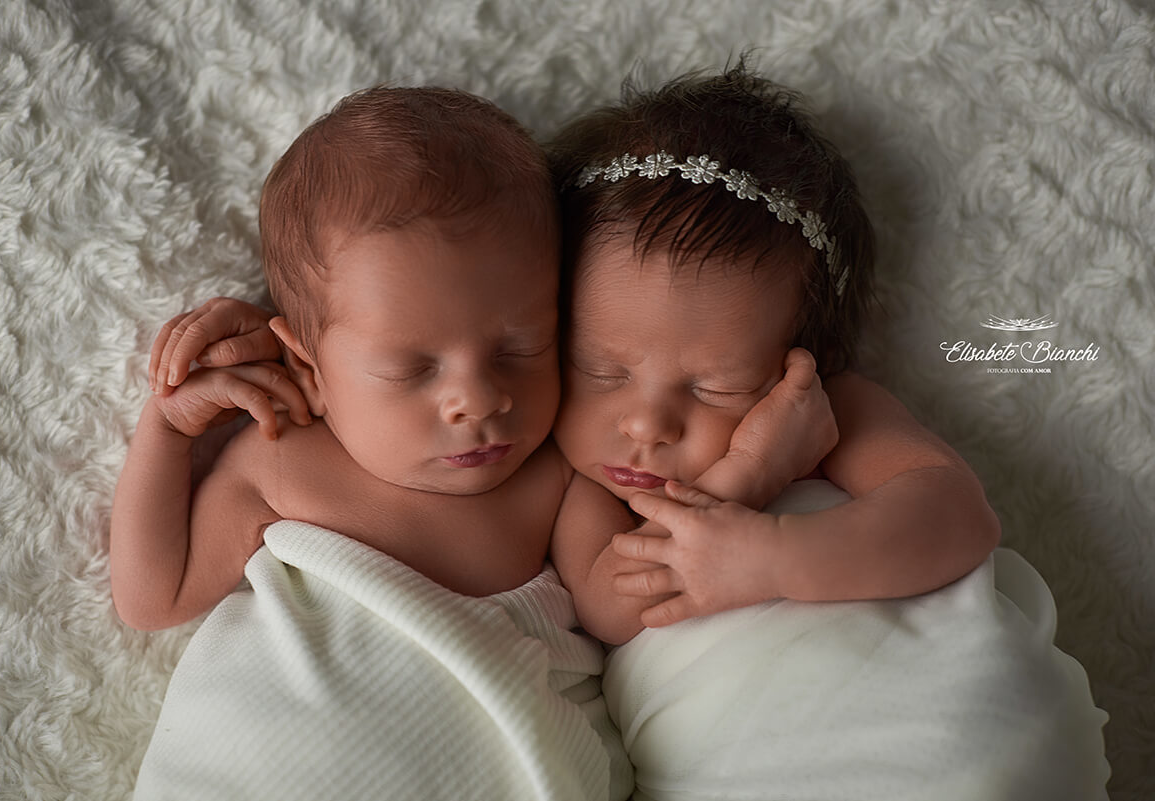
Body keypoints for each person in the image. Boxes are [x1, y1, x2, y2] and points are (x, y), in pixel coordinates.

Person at [150, 64, 999, 646]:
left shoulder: (817, 408)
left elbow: (958, 516)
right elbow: (619, 606)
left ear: (799, 360)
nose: (646, 423)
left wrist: (776, 554)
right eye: (599, 367)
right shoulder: (572, 478)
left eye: (718, 384)